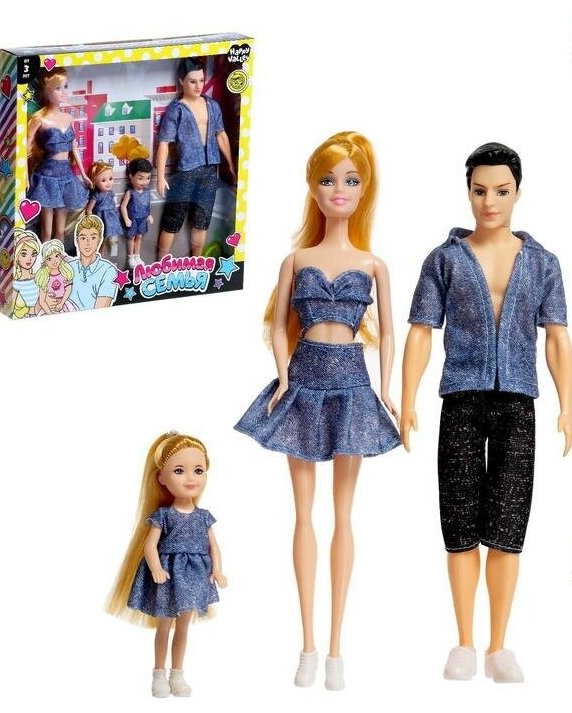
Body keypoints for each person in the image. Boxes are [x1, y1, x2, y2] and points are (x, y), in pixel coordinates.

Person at [401, 142, 572, 683]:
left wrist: (568, 405)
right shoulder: (445, 259)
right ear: (468, 192)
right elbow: (421, 332)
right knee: (458, 520)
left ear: (518, 191)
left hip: (518, 400)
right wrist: (407, 399)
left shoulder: (542, 263)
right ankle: (464, 642)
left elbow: (557, 337)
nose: (490, 202)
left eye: (501, 191)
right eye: (480, 191)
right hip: (461, 397)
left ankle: (499, 646)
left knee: (507, 523)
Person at [235, 132, 400, 690]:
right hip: (303, 383)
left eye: (350, 180)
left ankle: (336, 648)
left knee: (343, 516)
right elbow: (279, 324)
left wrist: (388, 389)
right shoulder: (296, 260)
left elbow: (391, 335)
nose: (339, 190)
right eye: (328, 180)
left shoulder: (373, 264)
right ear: (313, 188)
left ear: (364, 189)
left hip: (352, 384)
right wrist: (283, 376)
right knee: (303, 514)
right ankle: (307, 644)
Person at [107, 432, 227, 697]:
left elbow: (214, 547)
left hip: (194, 578)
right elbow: (150, 546)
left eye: (198, 470)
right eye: (179, 470)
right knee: (164, 625)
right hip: (168, 577)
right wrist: (157, 569)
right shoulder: (163, 515)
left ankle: (178, 674)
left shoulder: (204, 517)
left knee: (183, 626)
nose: (190, 478)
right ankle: (159, 674)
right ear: (162, 478)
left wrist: (217, 570)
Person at [156, 57, 236, 259]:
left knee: (202, 220)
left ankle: (197, 262)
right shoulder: (177, 109)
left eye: (201, 80)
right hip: (186, 171)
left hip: (210, 169)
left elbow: (221, 134)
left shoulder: (212, 105)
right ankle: (160, 263)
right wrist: (160, 177)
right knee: (173, 219)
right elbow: (164, 142)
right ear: (181, 81)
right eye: (192, 81)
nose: (198, 85)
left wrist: (231, 166)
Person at [26, 67, 92, 241]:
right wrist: (24, 176)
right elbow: (26, 148)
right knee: (46, 231)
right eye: (58, 88)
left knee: (60, 231)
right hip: (47, 176)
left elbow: (74, 147)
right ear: (46, 91)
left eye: (65, 86)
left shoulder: (68, 118)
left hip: (66, 176)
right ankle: (44, 256)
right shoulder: (39, 119)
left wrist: (84, 174)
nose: (64, 92)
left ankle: (58, 257)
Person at [69, 215, 119, 310]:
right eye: (83, 238)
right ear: (77, 241)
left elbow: (100, 309)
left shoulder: (108, 271)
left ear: (99, 240)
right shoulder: (68, 267)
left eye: (93, 238)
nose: (88, 243)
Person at [120, 158, 153, 268]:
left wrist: (149, 215)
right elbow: (123, 206)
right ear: (131, 176)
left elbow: (147, 205)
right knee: (131, 238)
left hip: (143, 219)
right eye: (140, 178)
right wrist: (126, 218)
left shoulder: (147, 192)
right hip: (133, 219)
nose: (144, 182)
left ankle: (137, 256)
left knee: (139, 237)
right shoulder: (130, 192)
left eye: (148, 178)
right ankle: (130, 257)